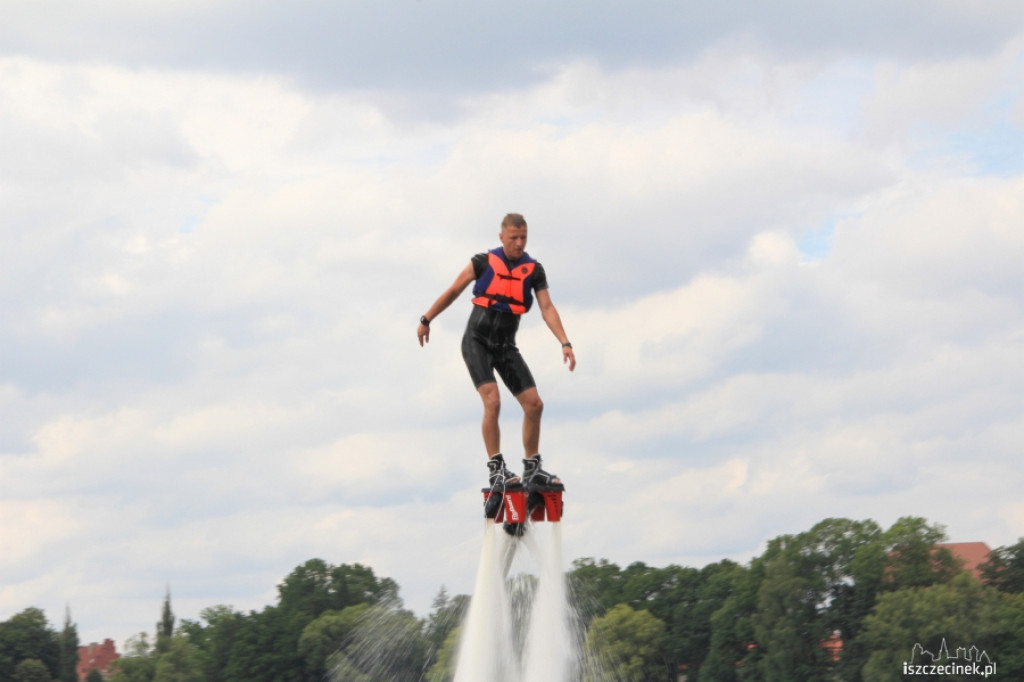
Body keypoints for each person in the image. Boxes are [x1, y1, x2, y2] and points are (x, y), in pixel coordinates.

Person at [417, 213, 575, 494]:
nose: (519, 243)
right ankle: (496, 469)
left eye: (523, 237)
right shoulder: (482, 262)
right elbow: (454, 290)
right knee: (493, 401)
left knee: (535, 404)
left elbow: (547, 308)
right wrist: (427, 319)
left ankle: (532, 467)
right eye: (513, 237)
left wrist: (565, 342)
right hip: (476, 341)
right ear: (501, 237)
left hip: (505, 346)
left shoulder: (534, 270)